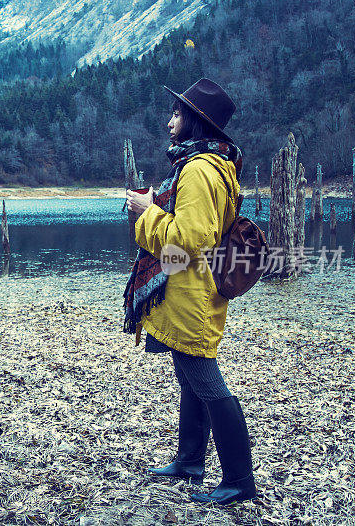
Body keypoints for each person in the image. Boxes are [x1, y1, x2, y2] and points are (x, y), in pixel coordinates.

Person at [123, 78, 257, 505]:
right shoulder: (211, 165)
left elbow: (191, 238)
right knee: (189, 377)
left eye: (177, 114)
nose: (169, 122)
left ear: (197, 122)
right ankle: (190, 461)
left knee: (206, 381)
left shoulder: (199, 170)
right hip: (192, 288)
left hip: (192, 294)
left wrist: (148, 214)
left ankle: (239, 479)